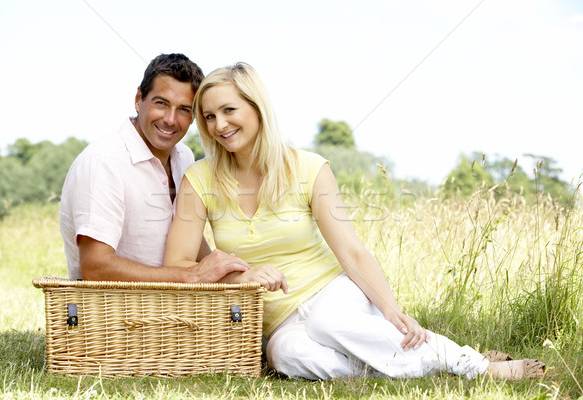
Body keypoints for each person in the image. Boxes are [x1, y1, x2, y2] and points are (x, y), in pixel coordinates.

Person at [163, 62, 546, 381]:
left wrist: (390, 311)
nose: (218, 125)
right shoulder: (200, 178)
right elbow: (178, 265)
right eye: (209, 116)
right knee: (285, 355)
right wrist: (239, 279)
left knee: (327, 325)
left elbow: (350, 250)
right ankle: (410, 365)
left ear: (257, 108)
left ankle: (472, 365)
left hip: (333, 292)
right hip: (278, 320)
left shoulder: (308, 168)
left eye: (229, 110)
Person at [60, 53, 250, 283]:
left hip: (173, 308)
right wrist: (188, 276)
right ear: (139, 99)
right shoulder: (103, 162)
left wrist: (226, 271)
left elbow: (190, 242)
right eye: (161, 103)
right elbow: (96, 267)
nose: (170, 119)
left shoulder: (184, 158)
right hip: (112, 312)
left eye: (184, 109)